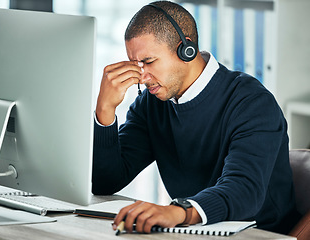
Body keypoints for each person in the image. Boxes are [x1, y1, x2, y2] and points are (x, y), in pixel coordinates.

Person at [92, 0, 297, 235]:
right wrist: (105, 110)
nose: (142, 77)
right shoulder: (151, 104)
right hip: (196, 231)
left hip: (262, 234)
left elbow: (243, 189)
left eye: (148, 62)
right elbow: (106, 182)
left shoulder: (252, 103)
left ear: (185, 50)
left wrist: (180, 211)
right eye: (135, 64)